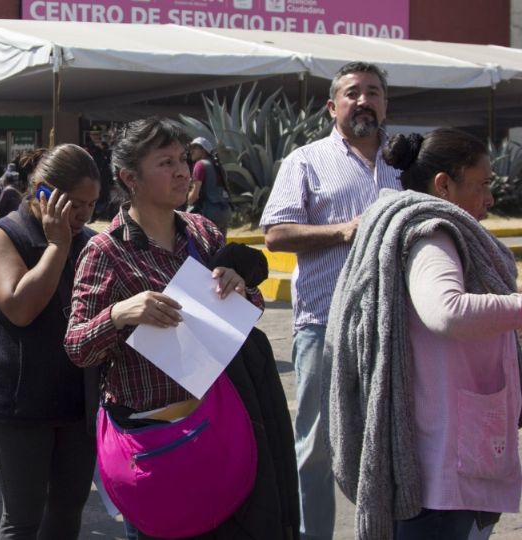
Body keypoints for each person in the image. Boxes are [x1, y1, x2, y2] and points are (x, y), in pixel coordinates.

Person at [64, 117, 297, 539]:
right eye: (165, 162)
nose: (181, 172)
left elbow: (250, 312)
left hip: (218, 426)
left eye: (183, 161)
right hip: (154, 442)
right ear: (128, 177)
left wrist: (241, 289)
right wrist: (120, 314)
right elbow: (77, 346)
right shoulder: (106, 251)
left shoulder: (204, 233)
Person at [326, 128, 522, 540]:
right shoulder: (432, 234)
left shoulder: (419, 225)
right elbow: (447, 312)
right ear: (444, 184)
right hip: (443, 459)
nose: (489, 198)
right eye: (483, 184)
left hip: (445, 442)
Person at [258, 61, 402, 540]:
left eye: (374, 92)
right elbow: (275, 233)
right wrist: (344, 231)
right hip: (324, 325)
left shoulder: (407, 164)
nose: (364, 101)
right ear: (332, 105)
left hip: (394, 326)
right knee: (316, 447)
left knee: (390, 444)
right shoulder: (306, 160)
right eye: (353, 92)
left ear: (385, 102)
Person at [0, 144, 100, 539]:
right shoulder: (1, 237)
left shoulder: (88, 240)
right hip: (19, 405)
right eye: (76, 204)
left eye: (92, 204)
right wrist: (57, 246)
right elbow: (20, 307)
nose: (83, 215)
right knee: (24, 519)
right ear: (44, 193)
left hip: (77, 403)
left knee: (67, 511)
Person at [185, 137, 232, 235]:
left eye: (195, 148)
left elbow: (194, 195)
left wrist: (185, 203)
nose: (191, 151)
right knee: (221, 247)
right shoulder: (216, 165)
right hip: (223, 212)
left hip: (208, 216)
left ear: (203, 150)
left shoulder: (200, 165)